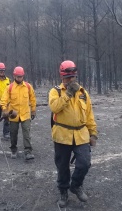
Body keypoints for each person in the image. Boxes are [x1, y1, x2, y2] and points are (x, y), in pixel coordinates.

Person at [48, 60, 98, 208]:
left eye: (73, 77)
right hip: (62, 135)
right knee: (62, 166)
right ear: (62, 77)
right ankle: (63, 191)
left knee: (84, 163)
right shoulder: (55, 91)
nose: (71, 80)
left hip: (81, 134)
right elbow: (55, 107)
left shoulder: (83, 93)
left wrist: (93, 133)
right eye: (68, 77)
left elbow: (89, 114)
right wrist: (68, 94)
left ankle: (76, 185)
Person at [0, 66, 37, 160]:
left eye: (21, 76)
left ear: (23, 76)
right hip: (13, 115)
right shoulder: (10, 87)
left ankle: (28, 152)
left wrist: (33, 110)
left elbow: (32, 99)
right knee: (13, 133)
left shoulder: (28, 87)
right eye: (17, 76)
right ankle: (13, 150)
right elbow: (4, 100)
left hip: (25, 114)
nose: (19, 78)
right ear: (14, 76)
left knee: (26, 133)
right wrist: (4, 110)